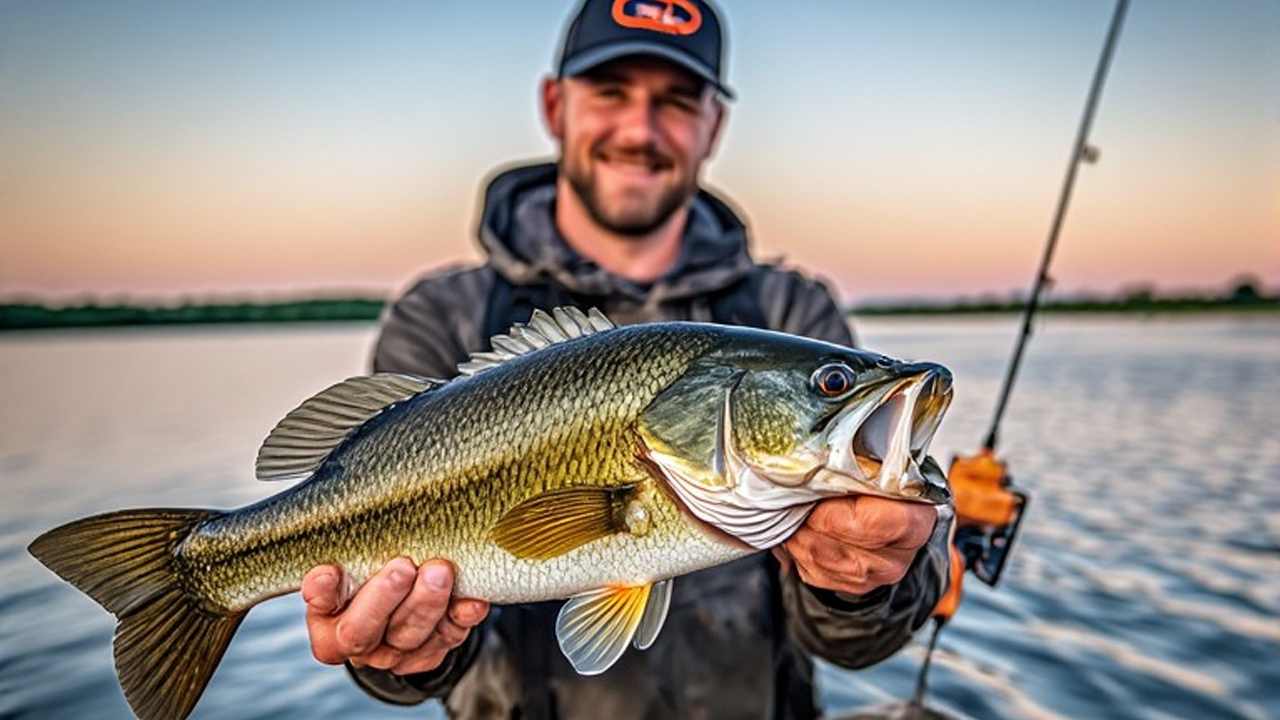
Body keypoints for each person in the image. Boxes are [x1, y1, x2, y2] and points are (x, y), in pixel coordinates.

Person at [300, 1, 954, 717]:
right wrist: (405, 655)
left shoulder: (792, 312)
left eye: (676, 101)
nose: (640, 129)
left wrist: (862, 582)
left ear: (715, 125)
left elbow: (857, 643)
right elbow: (404, 654)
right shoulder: (441, 318)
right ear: (555, 104)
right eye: (610, 91)